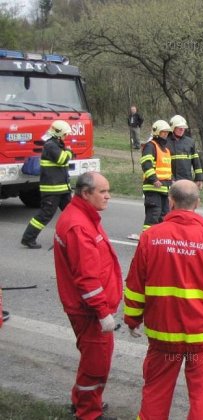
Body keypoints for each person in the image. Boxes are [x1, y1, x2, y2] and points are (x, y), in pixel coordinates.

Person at [123, 180, 203, 419]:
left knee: (155, 393)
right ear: (197, 203)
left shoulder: (150, 238)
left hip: (162, 337)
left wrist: (132, 319)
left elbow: (135, 286)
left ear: (170, 202)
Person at [53, 172, 122, 420]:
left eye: (108, 190)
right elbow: (87, 279)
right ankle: (88, 413)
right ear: (85, 193)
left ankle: (81, 402)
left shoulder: (84, 216)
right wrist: (102, 313)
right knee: (96, 366)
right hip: (90, 312)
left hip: (89, 308)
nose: (108, 196)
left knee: (92, 361)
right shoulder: (79, 225)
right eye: (102, 192)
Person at [21, 120, 74, 249]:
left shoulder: (56, 144)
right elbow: (62, 159)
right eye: (65, 134)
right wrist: (69, 151)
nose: (66, 137)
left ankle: (74, 238)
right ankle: (28, 238)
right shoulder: (51, 145)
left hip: (62, 188)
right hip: (52, 190)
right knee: (45, 215)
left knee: (72, 213)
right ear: (58, 133)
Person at [140, 120, 173, 231]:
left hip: (164, 189)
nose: (165, 134)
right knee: (153, 217)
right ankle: (147, 241)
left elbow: (167, 169)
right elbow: (146, 163)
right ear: (157, 133)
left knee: (164, 217)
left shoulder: (166, 150)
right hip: (153, 188)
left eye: (167, 132)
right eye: (163, 132)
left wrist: (171, 182)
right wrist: (154, 179)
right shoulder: (150, 146)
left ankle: (159, 241)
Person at [168, 114, 203, 190]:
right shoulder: (165, 142)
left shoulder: (190, 142)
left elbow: (196, 162)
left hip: (187, 180)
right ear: (173, 128)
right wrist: (170, 178)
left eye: (183, 128)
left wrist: (199, 178)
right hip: (171, 180)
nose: (182, 130)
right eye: (179, 128)